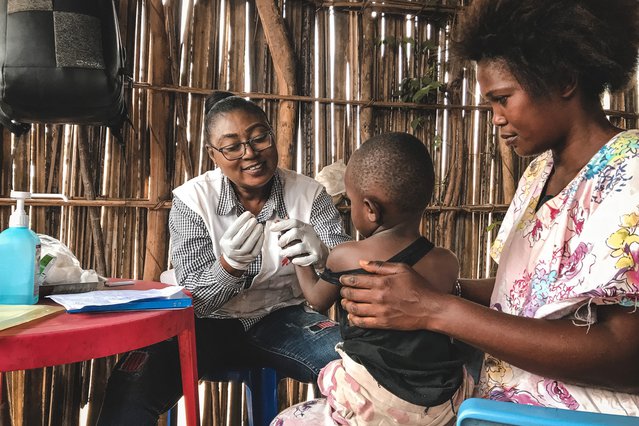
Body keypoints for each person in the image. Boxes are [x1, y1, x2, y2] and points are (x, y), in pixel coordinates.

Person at [337, 0, 639, 417]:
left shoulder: (631, 176)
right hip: (496, 406)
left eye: (502, 99)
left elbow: (627, 358)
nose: (495, 118)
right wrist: (432, 288)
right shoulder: (539, 174)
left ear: (564, 80)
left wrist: (437, 309)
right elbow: (524, 296)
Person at [97, 91, 351, 425]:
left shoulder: (308, 194)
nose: (250, 154)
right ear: (213, 154)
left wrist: (324, 254)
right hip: (202, 323)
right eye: (232, 146)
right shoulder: (191, 201)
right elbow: (196, 302)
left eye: (259, 137)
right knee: (130, 388)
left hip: (281, 317)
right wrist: (228, 267)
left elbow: (347, 269)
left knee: (357, 366)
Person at [272, 132, 474, 425]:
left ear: (370, 209)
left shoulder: (346, 256)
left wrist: (298, 256)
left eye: (352, 201)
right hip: (441, 405)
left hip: (373, 405)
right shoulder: (446, 262)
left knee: (289, 417)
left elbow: (316, 301)